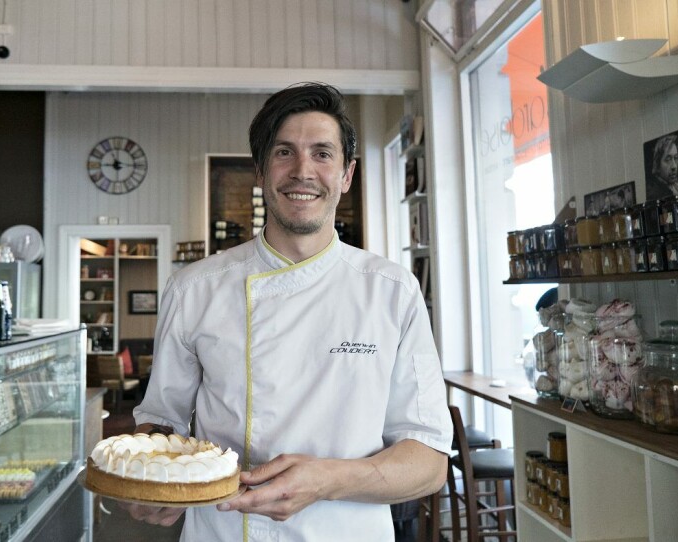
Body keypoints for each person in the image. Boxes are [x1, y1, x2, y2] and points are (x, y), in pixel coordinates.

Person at [128, 82, 452, 541]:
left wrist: (327, 480)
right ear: (259, 172)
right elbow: (163, 420)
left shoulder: (392, 291)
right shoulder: (193, 289)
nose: (303, 171)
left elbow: (428, 462)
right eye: (285, 153)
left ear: (346, 175)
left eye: (322, 153)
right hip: (223, 531)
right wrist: (148, 475)